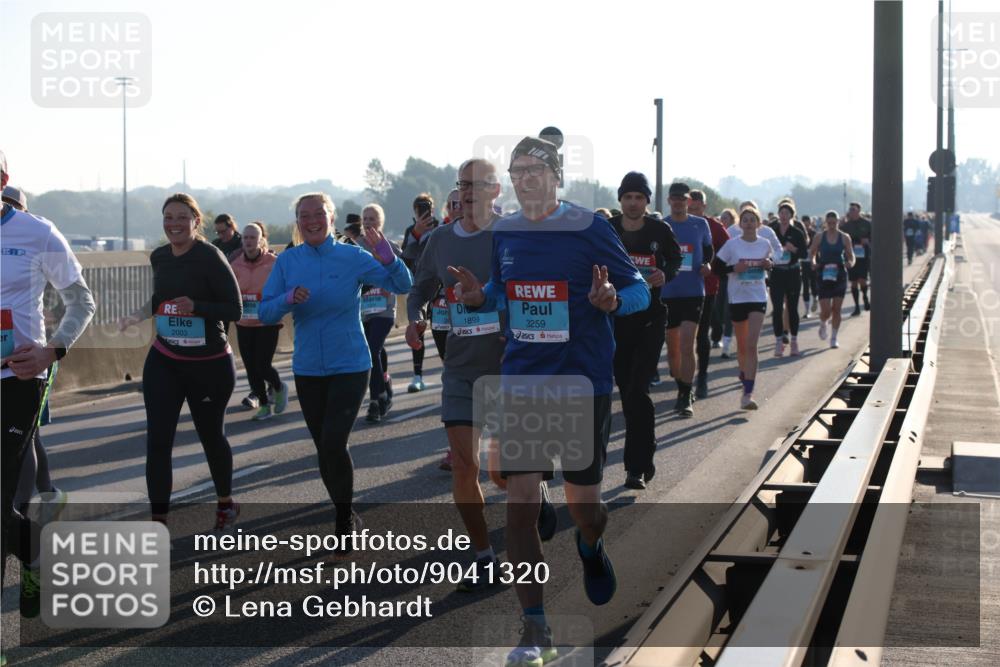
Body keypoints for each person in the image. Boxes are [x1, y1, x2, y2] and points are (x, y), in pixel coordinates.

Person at [448, 137, 650, 666]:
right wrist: (480, 296)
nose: (524, 179)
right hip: (522, 383)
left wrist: (611, 300)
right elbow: (502, 289)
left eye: (535, 170)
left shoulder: (589, 227)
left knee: (586, 510)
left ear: (556, 176)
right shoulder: (506, 229)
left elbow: (639, 291)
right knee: (519, 507)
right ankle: (535, 631)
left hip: (581, 383)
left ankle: (589, 544)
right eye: (516, 171)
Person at [259, 192, 411, 553]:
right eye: (303, 215)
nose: (311, 220)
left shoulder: (352, 256)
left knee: (333, 442)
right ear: (297, 221)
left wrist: (390, 259)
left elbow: (402, 285)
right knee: (323, 449)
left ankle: (343, 521)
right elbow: (263, 313)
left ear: (330, 217)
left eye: (318, 214)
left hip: (351, 363)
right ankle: (345, 510)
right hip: (309, 366)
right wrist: (286, 299)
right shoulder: (287, 262)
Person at [2, 149, 96, 619]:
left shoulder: (37, 232)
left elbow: (81, 301)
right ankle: (37, 552)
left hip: (18, 380)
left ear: (2, 178)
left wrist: (51, 350)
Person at [118, 193, 243, 533]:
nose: (174, 223)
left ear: (195, 222)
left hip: (209, 364)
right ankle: (158, 522)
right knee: (158, 441)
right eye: (168, 217)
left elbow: (235, 310)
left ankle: (225, 503)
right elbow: (160, 298)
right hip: (166, 358)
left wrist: (197, 306)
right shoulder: (159, 256)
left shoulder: (211, 257)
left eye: (181, 217)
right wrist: (137, 314)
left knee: (210, 436)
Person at [609, 172, 681, 490]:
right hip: (616, 321)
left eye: (639, 197)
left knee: (638, 389)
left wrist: (666, 272)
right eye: (628, 197)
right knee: (626, 392)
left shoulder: (659, 230)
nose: (633, 202)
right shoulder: (608, 229)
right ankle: (638, 456)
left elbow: (677, 259)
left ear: (647, 201)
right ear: (621, 200)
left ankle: (636, 466)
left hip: (651, 320)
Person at [659, 182, 713, 417]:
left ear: (688, 201)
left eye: (683, 198)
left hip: (693, 291)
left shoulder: (700, 224)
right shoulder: (662, 226)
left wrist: (707, 265)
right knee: (673, 348)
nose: (679, 202)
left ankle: (685, 394)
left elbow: (708, 250)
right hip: (668, 292)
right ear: (669, 201)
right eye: (675, 198)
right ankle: (681, 382)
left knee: (686, 344)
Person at [713, 205, 773, 409]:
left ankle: (747, 394)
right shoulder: (732, 245)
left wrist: (768, 264)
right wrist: (733, 268)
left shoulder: (765, 244)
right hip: (738, 298)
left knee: (751, 345)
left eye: (752, 219)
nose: (748, 223)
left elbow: (770, 262)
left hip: (758, 297)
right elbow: (717, 267)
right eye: (745, 220)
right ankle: (744, 372)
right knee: (742, 347)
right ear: (740, 224)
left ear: (758, 223)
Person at [230, 222, 288, 421]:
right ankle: (264, 405)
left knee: (262, 365)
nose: (248, 241)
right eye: (245, 238)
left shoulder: (274, 262)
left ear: (261, 240)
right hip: (244, 322)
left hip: (267, 321)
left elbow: (286, 286)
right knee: (250, 367)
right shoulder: (235, 265)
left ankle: (279, 386)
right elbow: (228, 290)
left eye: (252, 238)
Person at [356, 204, 404, 423]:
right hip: (364, 311)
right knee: (376, 351)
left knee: (371, 350)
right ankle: (385, 388)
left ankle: (376, 399)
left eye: (372, 218)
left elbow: (405, 273)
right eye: (365, 218)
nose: (367, 222)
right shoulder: (354, 248)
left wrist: (391, 281)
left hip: (384, 311)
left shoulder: (391, 247)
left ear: (381, 222)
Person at [689, 189, 729, 398]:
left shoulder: (714, 226)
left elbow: (729, 248)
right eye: (690, 207)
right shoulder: (673, 225)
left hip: (707, 287)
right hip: (678, 288)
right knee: (676, 338)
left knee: (702, 333)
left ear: (704, 206)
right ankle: (683, 377)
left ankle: (701, 378)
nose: (693, 210)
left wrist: (714, 266)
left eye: (697, 207)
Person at [401, 193, 441, 393]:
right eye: (420, 210)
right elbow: (405, 261)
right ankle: (417, 375)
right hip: (419, 287)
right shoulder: (411, 231)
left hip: (439, 286)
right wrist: (415, 235)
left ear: (433, 210)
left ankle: (450, 370)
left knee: (443, 331)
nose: (424, 213)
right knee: (417, 327)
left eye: (427, 209)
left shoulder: (441, 229)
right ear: (414, 212)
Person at [809, 210, 856, 349]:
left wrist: (851, 262)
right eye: (829, 223)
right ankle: (823, 323)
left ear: (838, 222)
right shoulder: (819, 237)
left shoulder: (844, 237)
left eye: (834, 223)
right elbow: (812, 252)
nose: (831, 225)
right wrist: (813, 262)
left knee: (837, 309)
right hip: (823, 272)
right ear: (825, 223)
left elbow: (851, 254)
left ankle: (834, 337)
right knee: (826, 310)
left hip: (839, 273)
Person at [769, 201, 809, 357]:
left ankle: (794, 341)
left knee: (792, 309)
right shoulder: (772, 231)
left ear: (791, 216)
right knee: (777, 309)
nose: (783, 216)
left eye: (787, 213)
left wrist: (794, 249)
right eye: (781, 213)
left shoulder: (797, 232)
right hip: (777, 273)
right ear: (778, 215)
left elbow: (805, 254)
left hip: (792, 273)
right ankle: (779, 341)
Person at [840, 201, 871, 316]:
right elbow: (840, 238)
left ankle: (865, 296)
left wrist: (867, 241)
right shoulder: (846, 226)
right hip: (850, 255)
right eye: (850, 209)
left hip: (863, 255)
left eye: (853, 209)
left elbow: (874, 237)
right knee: (853, 282)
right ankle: (857, 306)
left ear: (859, 210)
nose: (851, 212)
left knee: (862, 280)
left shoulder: (867, 224)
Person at [799, 215, 818, 318]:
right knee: (805, 286)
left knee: (814, 284)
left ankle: (816, 298)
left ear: (811, 223)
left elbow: (818, 247)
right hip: (803, 263)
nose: (806, 226)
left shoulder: (815, 234)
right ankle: (807, 311)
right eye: (804, 224)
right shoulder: (799, 233)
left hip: (813, 262)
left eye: (808, 223)